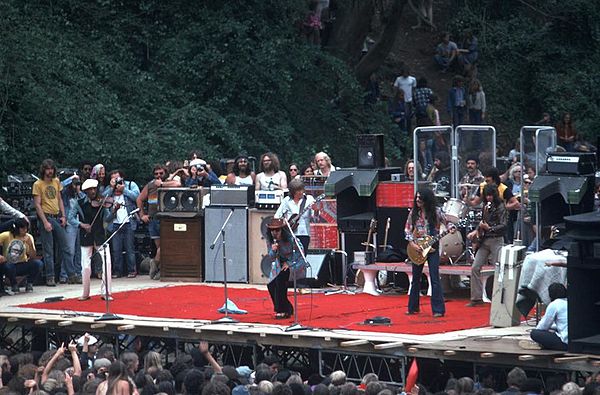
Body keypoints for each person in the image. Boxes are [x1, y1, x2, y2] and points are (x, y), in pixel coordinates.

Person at [404, 188, 455, 317]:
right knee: (415, 279)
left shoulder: (437, 212)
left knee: (434, 277)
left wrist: (451, 228)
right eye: (416, 198)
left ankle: (438, 310)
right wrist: (413, 244)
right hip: (418, 247)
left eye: (420, 198)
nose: (417, 200)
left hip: (432, 247)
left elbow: (447, 222)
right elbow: (407, 230)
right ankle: (412, 307)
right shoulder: (414, 214)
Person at [466, 183, 507, 306]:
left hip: (496, 239)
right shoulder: (485, 206)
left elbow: (504, 225)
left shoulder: (501, 207)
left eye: (490, 195)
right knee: (475, 267)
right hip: (485, 240)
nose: (488, 198)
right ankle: (476, 298)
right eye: (487, 195)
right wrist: (477, 232)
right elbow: (483, 222)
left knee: (499, 269)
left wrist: (489, 228)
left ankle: (501, 297)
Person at [32, 159, 71, 286]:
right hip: (46, 217)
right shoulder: (38, 184)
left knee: (66, 246)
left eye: (51, 169)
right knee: (48, 250)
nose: (50, 171)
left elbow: (59, 199)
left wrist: (64, 215)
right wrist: (44, 222)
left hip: (57, 216)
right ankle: (50, 276)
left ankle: (71, 274)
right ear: (43, 170)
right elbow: (37, 205)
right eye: (48, 169)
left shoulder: (56, 181)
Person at [136, 165, 179, 280]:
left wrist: (162, 185)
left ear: (165, 172)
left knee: (166, 244)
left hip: (167, 219)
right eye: (156, 174)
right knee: (160, 246)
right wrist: (142, 215)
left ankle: (155, 263)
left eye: (161, 173)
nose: (159, 175)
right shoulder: (149, 185)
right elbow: (139, 199)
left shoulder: (170, 182)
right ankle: (161, 270)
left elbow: (178, 185)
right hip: (153, 219)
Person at [75, 179, 114, 301]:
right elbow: (71, 218)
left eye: (94, 189)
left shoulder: (102, 203)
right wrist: (82, 224)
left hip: (100, 235)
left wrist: (114, 211)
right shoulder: (79, 203)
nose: (93, 191)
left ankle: (106, 292)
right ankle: (85, 293)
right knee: (86, 266)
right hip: (86, 236)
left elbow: (107, 219)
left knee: (107, 262)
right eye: (90, 190)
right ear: (86, 191)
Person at [266, 218, 306, 319]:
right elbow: (271, 257)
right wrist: (273, 250)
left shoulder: (291, 239)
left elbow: (300, 254)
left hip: (293, 263)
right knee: (271, 285)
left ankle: (281, 310)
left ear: (282, 230)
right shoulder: (271, 241)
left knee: (280, 281)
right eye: (272, 230)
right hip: (279, 265)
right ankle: (286, 307)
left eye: (277, 230)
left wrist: (289, 263)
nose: (274, 233)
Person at [104, 170, 140, 278]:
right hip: (115, 223)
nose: (116, 181)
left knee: (130, 248)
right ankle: (117, 271)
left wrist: (124, 190)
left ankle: (132, 270)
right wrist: (111, 188)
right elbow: (103, 199)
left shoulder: (130, 185)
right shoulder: (109, 189)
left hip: (128, 221)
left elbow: (137, 197)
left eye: (118, 178)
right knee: (116, 250)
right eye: (114, 179)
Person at [274, 179, 319, 253]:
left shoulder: (309, 199)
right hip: (289, 233)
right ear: (293, 192)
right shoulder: (286, 200)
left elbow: (315, 218)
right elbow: (277, 216)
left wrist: (316, 210)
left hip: (304, 233)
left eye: (302, 189)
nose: (301, 192)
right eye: (298, 190)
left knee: (302, 256)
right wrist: (284, 222)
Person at [0, 218, 42, 293]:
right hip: (9, 264)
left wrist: (30, 245)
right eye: (22, 228)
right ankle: (14, 284)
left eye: (26, 228)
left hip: (22, 263)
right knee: (8, 266)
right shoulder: (6, 235)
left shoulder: (29, 237)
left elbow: (33, 256)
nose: (25, 230)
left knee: (38, 264)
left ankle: (29, 283)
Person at [530, 283, 568, 351]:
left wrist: (536, 330)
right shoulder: (571, 302)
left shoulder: (554, 304)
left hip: (565, 343)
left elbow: (543, 326)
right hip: (575, 342)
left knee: (534, 333)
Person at [61, 175, 84, 284]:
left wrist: (78, 190)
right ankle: (65, 274)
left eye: (78, 183)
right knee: (69, 250)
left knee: (78, 251)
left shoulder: (80, 195)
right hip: (69, 223)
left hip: (79, 223)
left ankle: (78, 273)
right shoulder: (65, 194)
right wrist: (71, 179)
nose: (76, 186)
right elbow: (60, 186)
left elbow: (84, 200)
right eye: (75, 184)